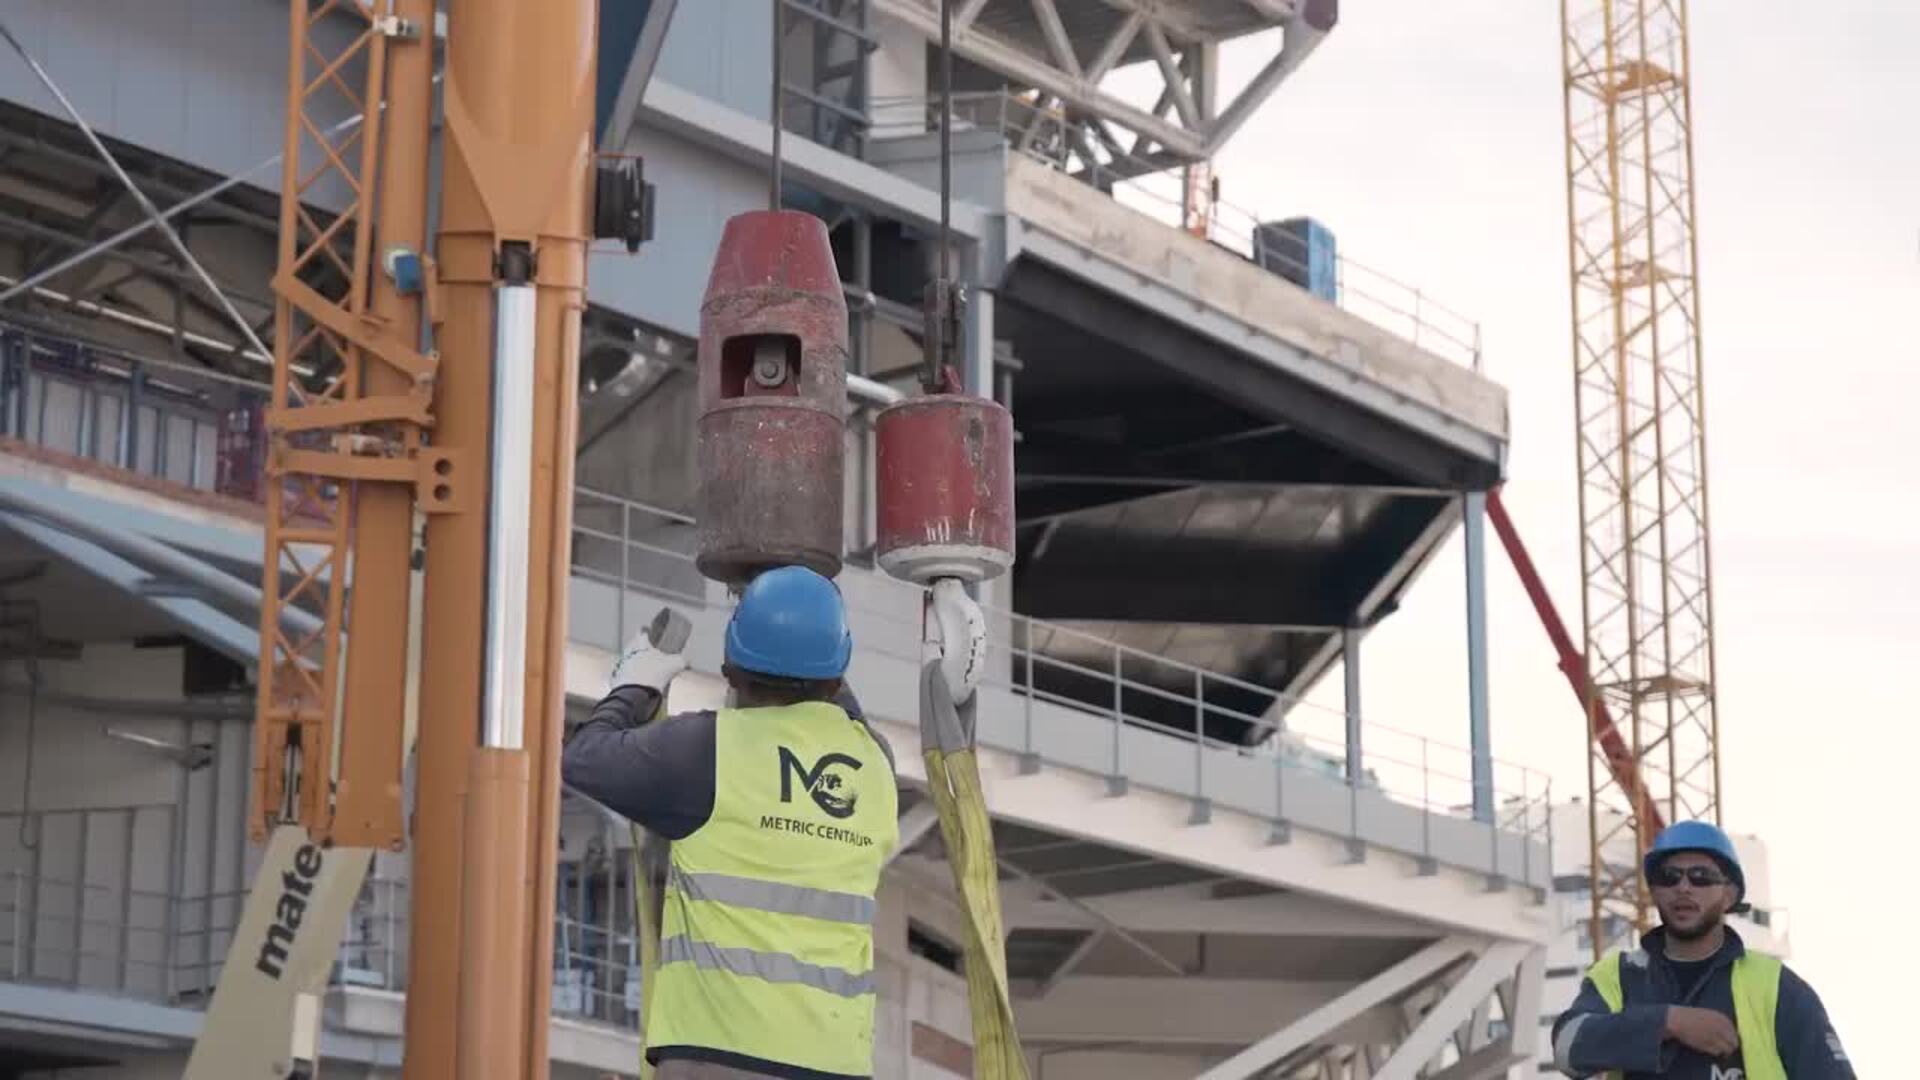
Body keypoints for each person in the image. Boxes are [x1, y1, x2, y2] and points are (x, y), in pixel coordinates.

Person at [562, 565, 899, 1080]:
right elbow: (838, 700)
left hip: (717, 1056)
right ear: (837, 669)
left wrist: (634, 684)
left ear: (729, 667)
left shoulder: (707, 752)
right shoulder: (875, 763)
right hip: (835, 1064)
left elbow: (585, 757)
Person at [1550, 820, 1853, 1079]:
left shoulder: (1774, 986)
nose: (1684, 888)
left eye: (1701, 877)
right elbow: (1567, 1046)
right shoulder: (1617, 975)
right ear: (1654, 891)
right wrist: (1669, 1022)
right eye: (1670, 877)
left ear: (1729, 894)